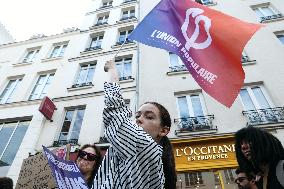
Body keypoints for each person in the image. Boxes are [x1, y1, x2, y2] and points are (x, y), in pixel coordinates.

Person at [92, 60, 177, 189]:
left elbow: (115, 111)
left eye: (149, 117)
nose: (138, 119)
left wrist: (112, 70)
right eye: (137, 116)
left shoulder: (144, 145)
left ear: (163, 131)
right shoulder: (136, 150)